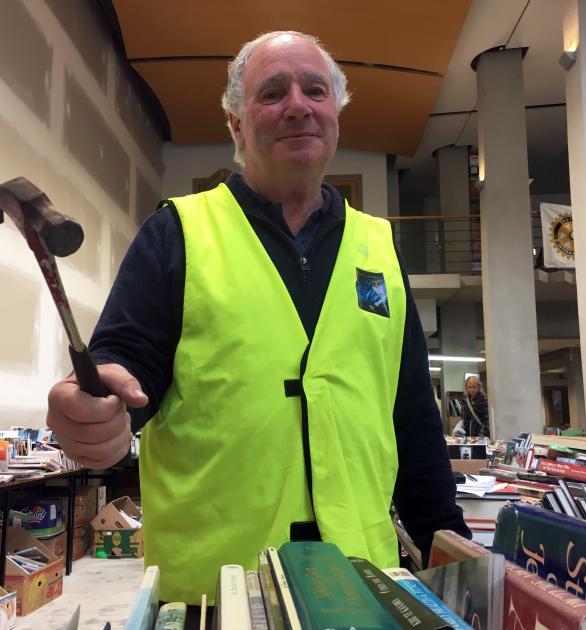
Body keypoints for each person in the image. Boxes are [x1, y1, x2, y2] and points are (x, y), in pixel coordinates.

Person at [46, 31, 469, 607]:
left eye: (315, 90)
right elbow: (124, 366)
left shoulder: (380, 247)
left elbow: (412, 415)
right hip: (217, 593)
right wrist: (96, 410)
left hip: (360, 580)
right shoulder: (178, 233)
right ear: (236, 125)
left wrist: (448, 549)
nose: (298, 104)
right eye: (273, 93)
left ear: (336, 117)